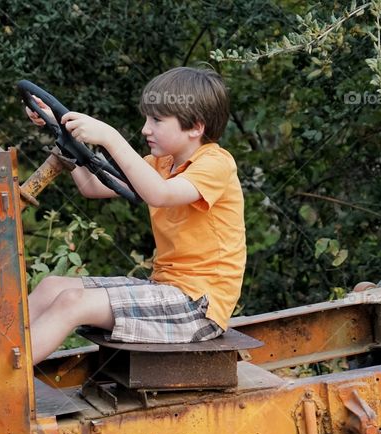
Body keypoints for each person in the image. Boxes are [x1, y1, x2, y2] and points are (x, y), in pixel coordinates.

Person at [25, 66, 245, 365]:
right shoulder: (160, 163)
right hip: (166, 290)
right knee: (53, 287)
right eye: (146, 119)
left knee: (71, 303)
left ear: (195, 127)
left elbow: (160, 194)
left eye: (156, 120)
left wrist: (110, 137)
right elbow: (93, 186)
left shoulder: (216, 164)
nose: (145, 129)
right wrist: (57, 131)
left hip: (198, 308)